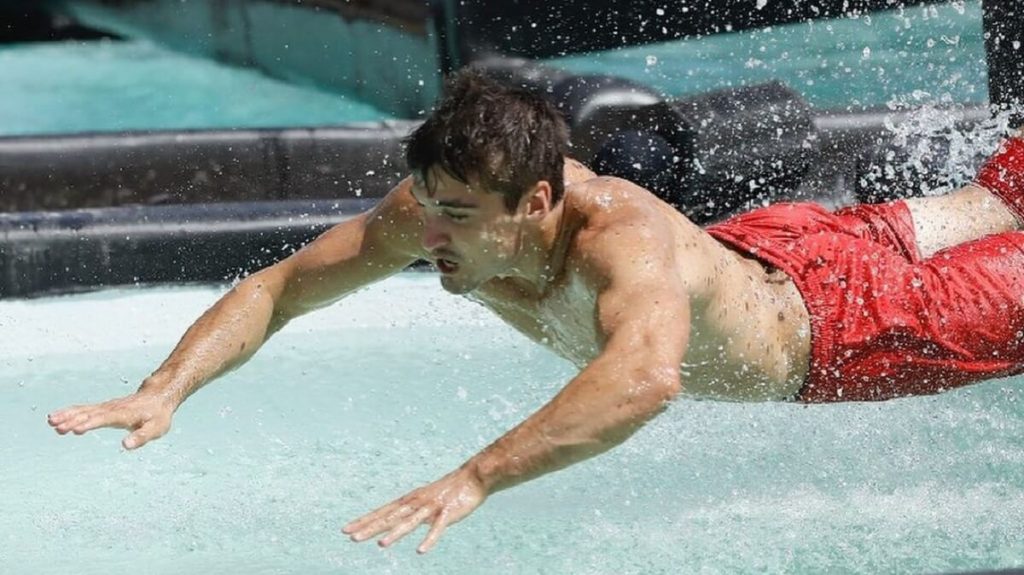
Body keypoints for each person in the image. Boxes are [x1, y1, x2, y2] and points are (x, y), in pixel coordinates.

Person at [48, 69, 1024, 553]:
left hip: (864, 325)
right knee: (998, 196)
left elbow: (645, 378)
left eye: (457, 214)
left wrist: (477, 474)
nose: (428, 232)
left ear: (537, 202)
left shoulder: (619, 238)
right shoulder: (436, 207)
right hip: (782, 247)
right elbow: (281, 286)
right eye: (428, 202)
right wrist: (165, 385)